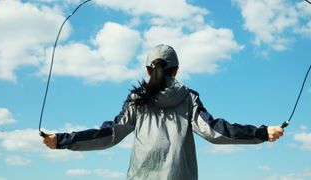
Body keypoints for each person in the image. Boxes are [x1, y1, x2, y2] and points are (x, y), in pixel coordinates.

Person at [43, 44, 284, 180]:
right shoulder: (189, 97)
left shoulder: (136, 99)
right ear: (176, 71)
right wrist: (262, 133)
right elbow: (215, 131)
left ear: (148, 71)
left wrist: (64, 140)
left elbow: (109, 134)